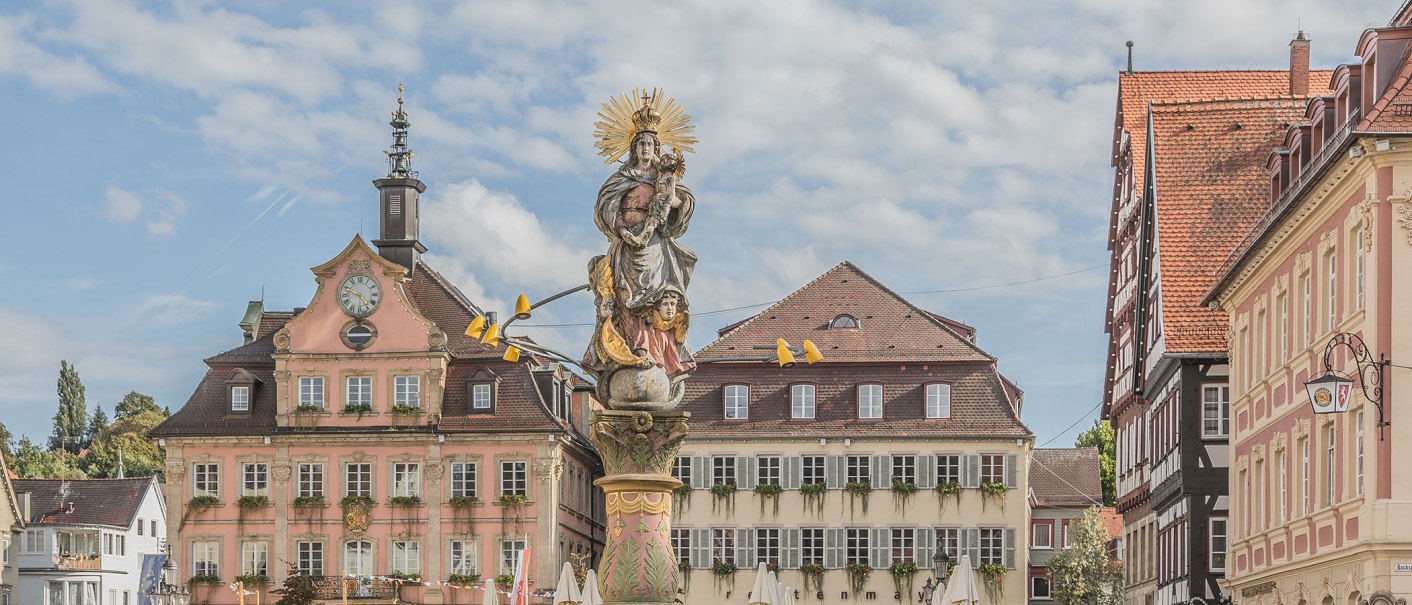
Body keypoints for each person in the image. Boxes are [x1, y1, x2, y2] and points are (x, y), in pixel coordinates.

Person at [583, 124, 698, 384]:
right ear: (634, 148)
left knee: (658, 298)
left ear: (656, 148)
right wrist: (622, 230)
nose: (645, 149)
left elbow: (684, 203)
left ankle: (659, 353)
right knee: (624, 297)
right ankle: (631, 349)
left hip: (655, 245)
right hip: (626, 243)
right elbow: (606, 206)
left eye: (650, 145)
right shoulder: (621, 177)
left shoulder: (665, 176)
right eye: (640, 144)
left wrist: (670, 199)